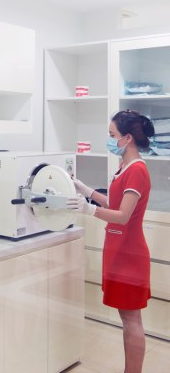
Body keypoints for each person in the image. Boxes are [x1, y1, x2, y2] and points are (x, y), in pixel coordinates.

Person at [66, 109, 155, 373]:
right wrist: (87, 191)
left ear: (127, 138)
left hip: (129, 253)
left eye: (112, 135)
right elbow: (114, 203)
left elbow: (123, 216)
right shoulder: (124, 167)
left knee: (131, 319)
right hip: (117, 249)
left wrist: (88, 210)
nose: (109, 139)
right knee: (126, 317)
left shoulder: (137, 170)